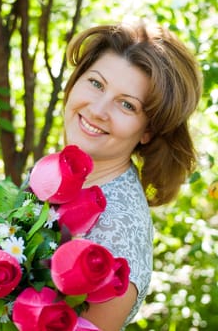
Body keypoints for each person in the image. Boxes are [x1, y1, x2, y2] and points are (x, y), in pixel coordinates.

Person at [63, 20, 202, 331]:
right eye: (96, 83)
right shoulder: (62, 172)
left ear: (148, 131)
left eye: (126, 105)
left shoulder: (115, 235)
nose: (98, 110)